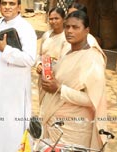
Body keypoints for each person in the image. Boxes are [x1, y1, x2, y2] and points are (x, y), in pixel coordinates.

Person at [39, 10, 107, 150]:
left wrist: (59, 89)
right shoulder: (66, 51)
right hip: (52, 121)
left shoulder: (92, 59)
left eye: (75, 27)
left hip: (73, 128)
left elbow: (92, 100)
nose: (69, 31)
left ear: (86, 30)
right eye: (67, 27)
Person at [0, 0, 37, 152]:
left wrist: (6, 50)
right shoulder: (0, 23)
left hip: (14, 91)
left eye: (12, 4)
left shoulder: (26, 28)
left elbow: (29, 59)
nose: (7, 7)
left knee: (13, 128)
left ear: (19, 7)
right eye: (4, 3)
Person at [36, 7, 70, 104]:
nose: (53, 21)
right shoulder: (46, 35)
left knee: (54, 105)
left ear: (64, 19)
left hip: (57, 79)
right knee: (42, 104)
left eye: (56, 18)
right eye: (51, 19)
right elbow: (40, 55)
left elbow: (66, 61)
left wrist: (51, 69)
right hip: (43, 77)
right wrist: (39, 64)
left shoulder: (67, 38)